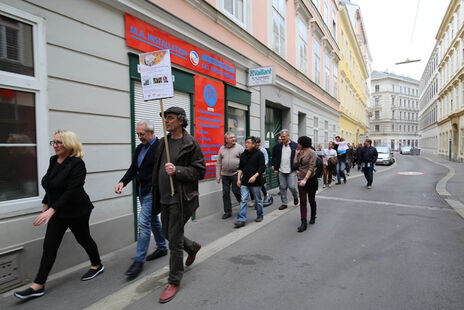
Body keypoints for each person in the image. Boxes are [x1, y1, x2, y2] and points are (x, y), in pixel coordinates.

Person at [14, 130, 103, 300]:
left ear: (69, 144)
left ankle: (97, 264)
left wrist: (51, 210)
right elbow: (50, 185)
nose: (55, 145)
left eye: (59, 142)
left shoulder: (77, 164)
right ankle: (38, 285)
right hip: (57, 210)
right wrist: (45, 205)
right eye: (53, 142)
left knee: (83, 239)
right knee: (50, 246)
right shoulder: (54, 160)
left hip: (77, 211)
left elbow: (72, 190)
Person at [152, 107, 206, 303]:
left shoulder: (191, 144)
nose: (166, 121)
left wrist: (178, 171)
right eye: (165, 117)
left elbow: (200, 170)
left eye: (171, 118)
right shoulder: (162, 142)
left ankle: (174, 280)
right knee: (167, 232)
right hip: (163, 197)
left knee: (173, 240)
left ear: (181, 121)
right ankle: (192, 247)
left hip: (181, 199)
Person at [115, 120, 168, 278]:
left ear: (151, 132)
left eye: (142, 134)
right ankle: (162, 247)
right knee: (152, 219)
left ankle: (139, 261)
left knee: (143, 222)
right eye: (138, 134)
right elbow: (133, 169)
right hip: (141, 190)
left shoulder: (160, 147)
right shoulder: (139, 148)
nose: (139, 137)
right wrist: (122, 182)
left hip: (153, 191)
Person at [234, 136, 266, 228]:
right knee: (243, 200)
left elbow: (262, 168)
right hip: (244, 182)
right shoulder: (243, 154)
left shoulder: (259, 154)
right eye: (245, 143)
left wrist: (255, 176)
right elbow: (240, 168)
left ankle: (260, 215)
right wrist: (238, 179)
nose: (246, 144)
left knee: (258, 200)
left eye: (248, 143)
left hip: (255, 182)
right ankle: (241, 219)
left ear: (253, 144)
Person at [216, 132, 244, 219]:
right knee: (225, 193)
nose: (233, 139)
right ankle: (228, 211)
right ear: (226, 139)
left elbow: (244, 161)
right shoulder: (222, 149)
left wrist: (242, 173)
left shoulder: (239, 148)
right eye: (231, 138)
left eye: (234, 137)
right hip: (225, 175)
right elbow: (219, 163)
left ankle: (243, 206)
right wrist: (218, 175)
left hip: (236, 174)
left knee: (236, 191)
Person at [294, 136, 318, 232]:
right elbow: (295, 164)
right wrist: (296, 154)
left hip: (311, 179)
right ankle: (303, 222)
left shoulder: (312, 153)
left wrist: (305, 179)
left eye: (298, 142)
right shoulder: (300, 152)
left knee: (311, 200)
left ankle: (313, 215)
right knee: (303, 201)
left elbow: (312, 168)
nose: (297, 144)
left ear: (302, 143)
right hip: (301, 179)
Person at [272, 129, 299, 210]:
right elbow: (275, 158)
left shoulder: (295, 145)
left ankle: (295, 196)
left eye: (284, 137)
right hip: (281, 170)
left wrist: (297, 169)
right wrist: (275, 168)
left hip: (291, 170)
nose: (282, 138)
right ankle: (284, 203)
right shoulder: (278, 146)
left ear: (288, 136)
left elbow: (298, 158)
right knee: (282, 187)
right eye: (281, 137)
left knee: (292, 186)